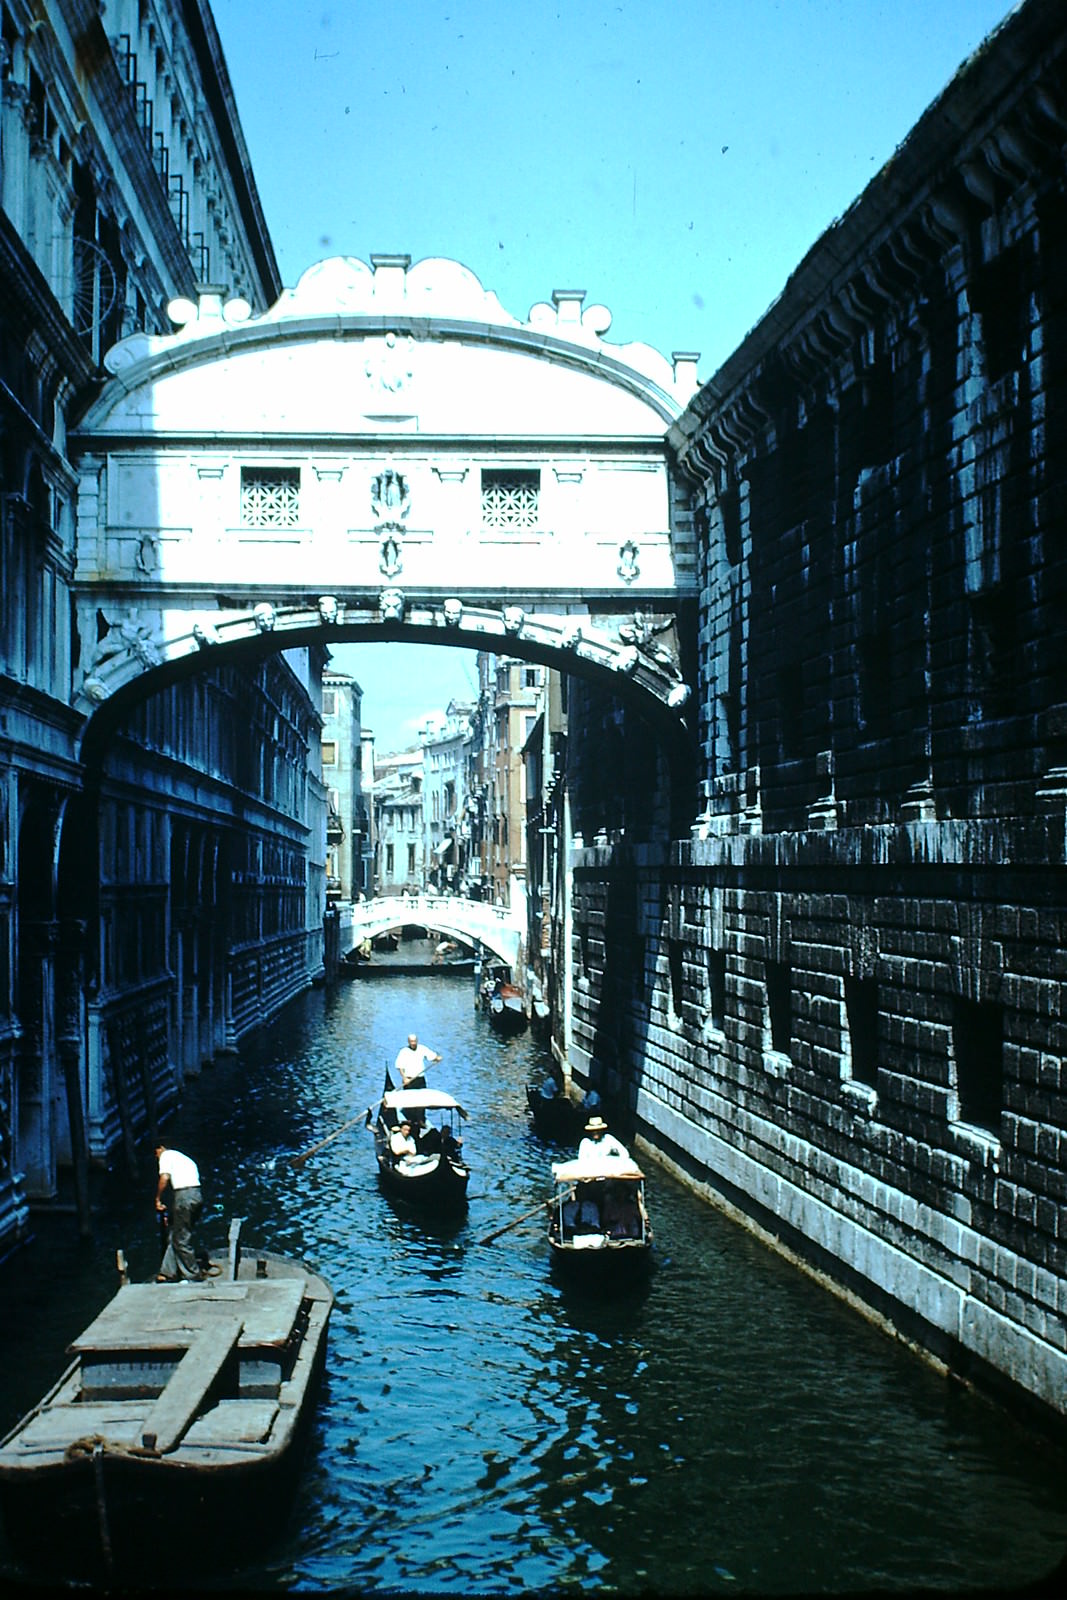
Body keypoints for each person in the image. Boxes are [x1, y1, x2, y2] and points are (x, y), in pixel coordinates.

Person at [154, 1142, 206, 1281]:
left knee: (181, 1239)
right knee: (176, 1233)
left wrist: (157, 1199)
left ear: (160, 1148)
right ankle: (167, 1271)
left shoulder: (166, 1155)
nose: (157, 1157)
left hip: (184, 1197)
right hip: (196, 1196)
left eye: (156, 1153)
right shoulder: (183, 1159)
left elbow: (164, 1178)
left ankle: (193, 1275)